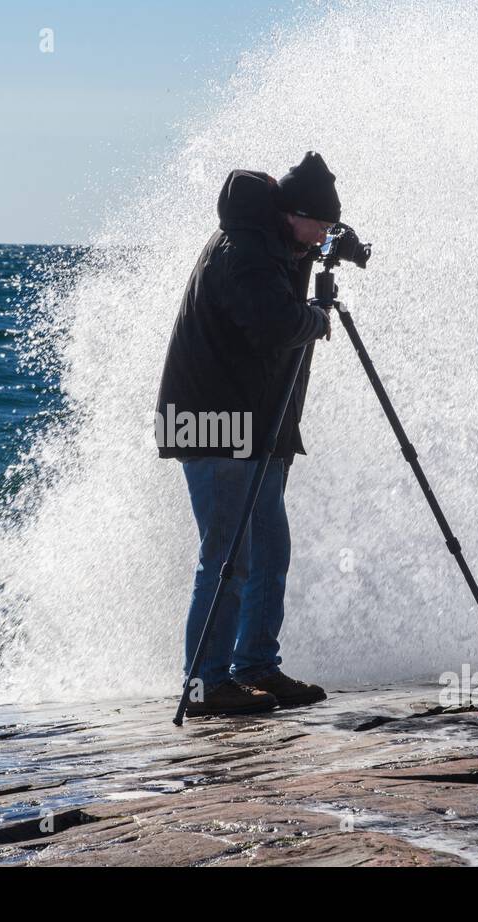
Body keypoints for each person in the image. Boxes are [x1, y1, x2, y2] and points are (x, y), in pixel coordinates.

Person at [155, 151, 343, 716]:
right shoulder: (246, 251)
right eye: (321, 228)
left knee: (268, 546)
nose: (323, 240)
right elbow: (271, 325)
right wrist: (318, 318)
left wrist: (340, 248)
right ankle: (206, 683)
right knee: (228, 554)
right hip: (215, 423)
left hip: (254, 426)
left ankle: (255, 665)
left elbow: (312, 247)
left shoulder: (275, 240)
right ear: (296, 215)